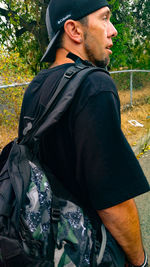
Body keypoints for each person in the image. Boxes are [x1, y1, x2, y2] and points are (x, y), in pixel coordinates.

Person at [18, 0, 150, 266]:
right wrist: (141, 261)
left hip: (44, 246)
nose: (113, 30)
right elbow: (114, 202)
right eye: (104, 18)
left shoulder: (37, 85)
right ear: (74, 31)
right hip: (88, 250)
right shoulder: (95, 84)